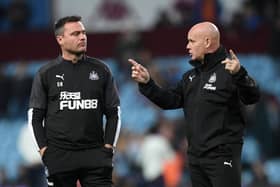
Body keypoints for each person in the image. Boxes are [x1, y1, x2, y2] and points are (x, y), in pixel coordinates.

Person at [129, 21, 260, 187]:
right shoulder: (190, 77)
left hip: (222, 156)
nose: (187, 46)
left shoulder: (230, 72)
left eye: (192, 41)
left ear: (207, 42)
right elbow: (169, 100)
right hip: (195, 158)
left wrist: (240, 75)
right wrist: (148, 84)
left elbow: (252, 97)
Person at [28, 15, 121, 187]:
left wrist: (109, 147)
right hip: (60, 157)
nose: (82, 37)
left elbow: (114, 113)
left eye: (84, 33)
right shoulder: (45, 73)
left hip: (95, 154)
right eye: (76, 33)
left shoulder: (102, 70)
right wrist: (44, 151)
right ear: (60, 39)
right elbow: (34, 117)